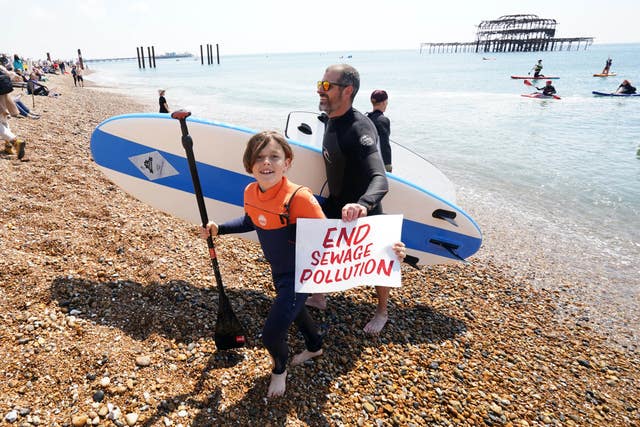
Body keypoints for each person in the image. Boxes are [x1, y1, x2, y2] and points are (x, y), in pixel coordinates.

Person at [200, 131, 326, 398]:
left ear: (287, 162)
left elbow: (331, 237)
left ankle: (279, 370)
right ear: (249, 164)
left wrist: (382, 250)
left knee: (270, 335)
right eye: (259, 157)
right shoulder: (251, 191)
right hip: (279, 272)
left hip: (301, 275)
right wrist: (218, 229)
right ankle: (315, 346)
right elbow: (250, 221)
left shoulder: (299, 198)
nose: (266, 162)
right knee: (295, 309)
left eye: (274, 156)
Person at [307, 63, 392, 335]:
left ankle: (382, 312)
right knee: (318, 245)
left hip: (363, 208)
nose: (320, 90)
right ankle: (319, 297)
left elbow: (380, 178)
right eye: (320, 84)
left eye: (326, 86)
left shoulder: (360, 128)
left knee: (378, 260)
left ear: (348, 91)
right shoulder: (331, 117)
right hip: (336, 202)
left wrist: (363, 205)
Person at [366, 89, 392, 172]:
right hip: (378, 164)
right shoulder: (383, 120)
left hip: (365, 161)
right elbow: (385, 144)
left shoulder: (365, 118)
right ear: (384, 102)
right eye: (386, 102)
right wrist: (388, 166)